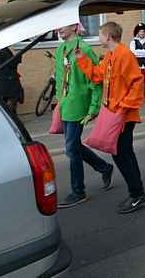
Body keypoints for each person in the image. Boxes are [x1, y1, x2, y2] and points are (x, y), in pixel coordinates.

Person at [76, 22, 145, 214]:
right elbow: (98, 76)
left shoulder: (124, 55)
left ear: (108, 37)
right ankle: (137, 193)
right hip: (116, 114)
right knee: (123, 154)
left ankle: (137, 195)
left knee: (122, 155)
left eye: (100, 35)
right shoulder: (110, 56)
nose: (98, 39)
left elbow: (137, 83)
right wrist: (82, 60)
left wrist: (123, 108)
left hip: (123, 116)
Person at [56, 24, 114, 208]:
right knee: (74, 146)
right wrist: (58, 102)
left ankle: (78, 191)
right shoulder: (61, 49)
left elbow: (96, 80)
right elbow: (60, 78)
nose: (58, 28)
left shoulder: (85, 49)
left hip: (78, 106)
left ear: (74, 26)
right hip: (66, 105)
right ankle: (104, 167)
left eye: (62, 25)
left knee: (71, 149)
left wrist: (94, 108)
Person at [0, 47, 23, 114]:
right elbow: (12, 63)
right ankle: (10, 116)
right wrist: (19, 56)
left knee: (5, 100)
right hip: (8, 81)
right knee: (11, 99)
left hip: (1, 80)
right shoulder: (4, 51)